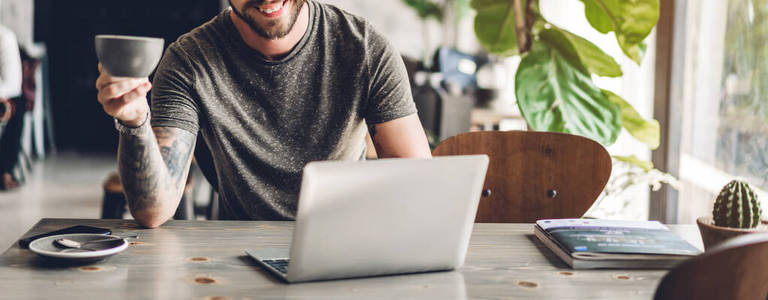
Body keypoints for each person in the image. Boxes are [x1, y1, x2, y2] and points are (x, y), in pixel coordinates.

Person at [95, 0, 432, 227]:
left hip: (344, 247)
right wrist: (135, 120)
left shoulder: (364, 48)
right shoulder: (188, 61)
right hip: (240, 255)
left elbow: (419, 186)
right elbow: (153, 211)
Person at [0, 24, 23, 190]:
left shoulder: (5, 38)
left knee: (15, 106)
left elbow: (12, 84)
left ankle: (4, 170)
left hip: (5, 95)